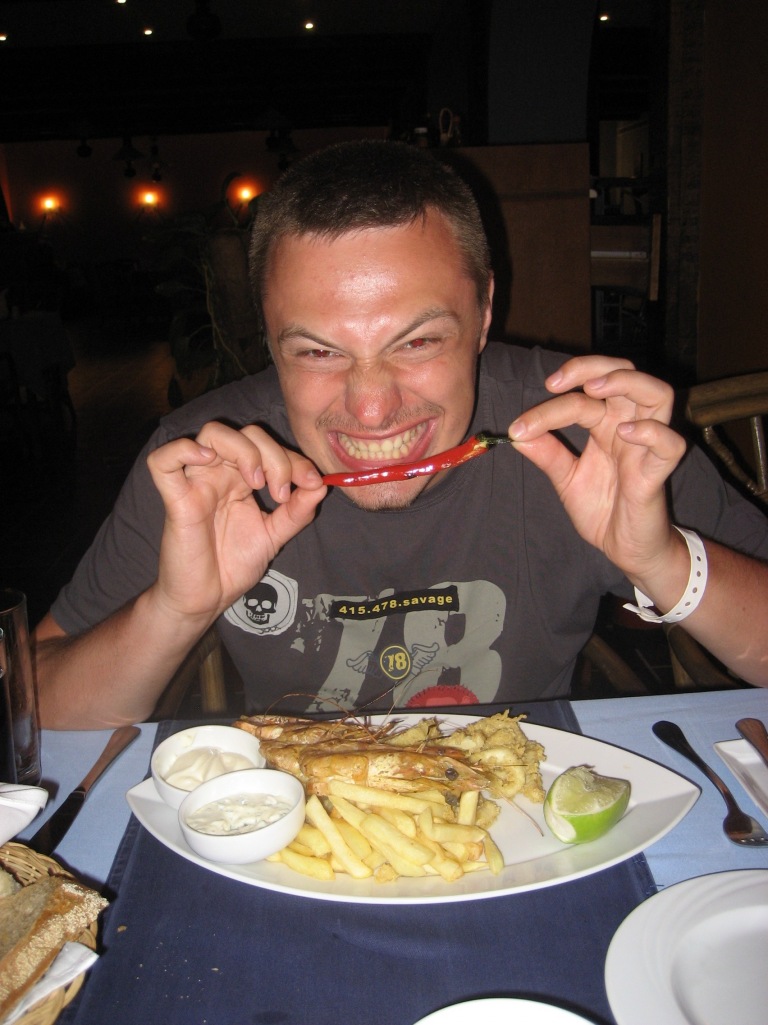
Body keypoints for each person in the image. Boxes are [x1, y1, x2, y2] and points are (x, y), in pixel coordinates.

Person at [33, 140, 768, 729]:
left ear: (484, 312)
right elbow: (34, 704)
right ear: (268, 335)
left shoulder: (591, 432)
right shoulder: (203, 462)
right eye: (317, 352)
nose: (372, 409)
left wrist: (663, 559)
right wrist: (175, 609)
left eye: (417, 342)